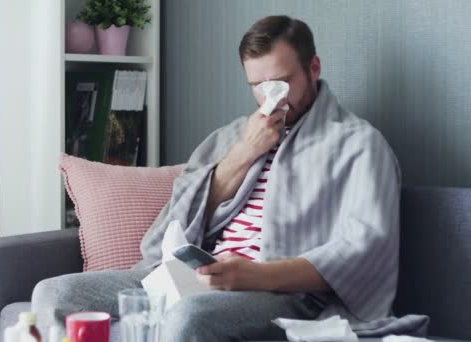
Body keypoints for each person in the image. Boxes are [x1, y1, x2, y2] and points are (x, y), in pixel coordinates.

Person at [32, 15, 402, 341]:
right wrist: (242, 154)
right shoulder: (229, 138)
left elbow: (364, 250)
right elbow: (166, 231)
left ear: (314, 68)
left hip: (284, 295)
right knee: (55, 295)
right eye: (258, 85)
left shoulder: (358, 145)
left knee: (189, 319)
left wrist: (257, 276)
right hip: (195, 277)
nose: (270, 98)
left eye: (282, 83)